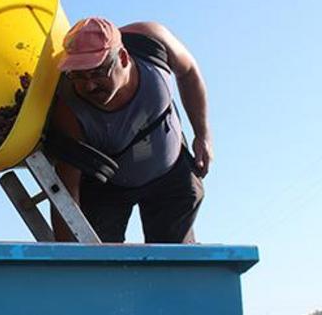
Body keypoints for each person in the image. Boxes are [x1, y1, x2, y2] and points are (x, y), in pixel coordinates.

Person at [49, 17, 212, 243]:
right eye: (78, 75)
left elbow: (189, 72)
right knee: (100, 266)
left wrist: (202, 135)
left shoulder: (151, 42)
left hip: (171, 176)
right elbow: (67, 190)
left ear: (123, 58)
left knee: (174, 263)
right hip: (108, 188)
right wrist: (71, 263)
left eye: (97, 72)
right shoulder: (68, 110)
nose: (88, 85)